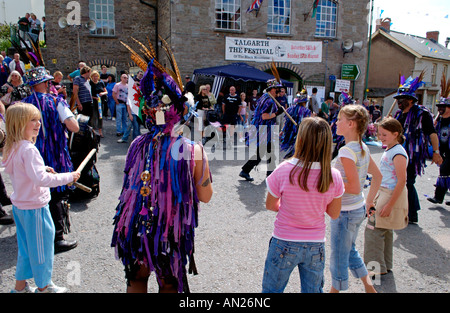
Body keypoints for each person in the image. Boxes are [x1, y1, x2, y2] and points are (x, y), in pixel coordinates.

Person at [111, 42, 213, 293]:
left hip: (136, 228)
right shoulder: (193, 150)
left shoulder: (136, 144)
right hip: (170, 234)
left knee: (136, 279)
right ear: (179, 112)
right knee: (169, 283)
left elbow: (128, 189)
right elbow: (206, 196)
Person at [2, 102, 80, 293]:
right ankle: (44, 287)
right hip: (35, 208)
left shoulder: (13, 146)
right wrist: (68, 177)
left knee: (27, 250)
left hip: (21, 207)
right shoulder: (29, 149)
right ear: (19, 123)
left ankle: (19, 287)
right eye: (32, 120)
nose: (38, 124)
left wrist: (42, 168)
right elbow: (41, 179)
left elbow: (23, 171)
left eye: (38, 119)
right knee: (42, 249)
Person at [262, 117, 344, 293]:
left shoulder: (284, 169)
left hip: (284, 240)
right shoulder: (333, 175)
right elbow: (334, 213)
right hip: (315, 243)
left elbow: (270, 204)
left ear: (300, 139)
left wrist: (287, 208)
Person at [22, 66, 80, 253]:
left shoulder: (22, 105)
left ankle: (36, 234)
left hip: (30, 155)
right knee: (56, 193)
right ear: (46, 83)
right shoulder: (56, 101)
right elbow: (74, 127)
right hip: (54, 157)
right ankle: (57, 237)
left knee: (34, 193)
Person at [330, 104, 382, 293]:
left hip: (345, 212)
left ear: (351, 124)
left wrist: (328, 191)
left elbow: (354, 186)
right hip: (357, 208)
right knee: (350, 251)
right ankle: (370, 288)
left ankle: (336, 291)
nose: (336, 122)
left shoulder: (346, 151)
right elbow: (378, 177)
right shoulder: (363, 147)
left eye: (340, 119)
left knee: (338, 258)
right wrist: (368, 202)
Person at [393, 73, 442, 224]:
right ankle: (403, 211)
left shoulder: (422, 114)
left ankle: (412, 214)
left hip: (413, 155)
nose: (398, 102)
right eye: (398, 100)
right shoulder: (398, 115)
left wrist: (436, 152)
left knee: (407, 183)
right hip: (398, 154)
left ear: (410, 100)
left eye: (401, 100)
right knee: (399, 182)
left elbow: (432, 134)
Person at [364, 117, 408, 276]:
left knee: (373, 230)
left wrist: (390, 204)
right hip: (385, 192)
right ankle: (385, 266)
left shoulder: (398, 152)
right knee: (385, 230)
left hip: (388, 194)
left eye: (384, 135)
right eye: (379, 134)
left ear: (396, 134)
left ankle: (375, 269)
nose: (380, 138)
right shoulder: (392, 149)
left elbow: (402, 180)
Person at [240, 77, 282, 181]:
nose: (279, 91)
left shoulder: (265, 97)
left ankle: (267, 174)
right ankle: (247, 171)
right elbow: (264, 116)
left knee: (269, 152)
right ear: (272, 89)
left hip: (264, 130)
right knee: (264, 153)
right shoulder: (269, 101)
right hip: (265, 131)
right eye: (277, 89)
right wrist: (276, 113)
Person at [427, 77, 450, 205]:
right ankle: (439, 197)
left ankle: (438, 197)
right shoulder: (440, 120)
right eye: (439, 106)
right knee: (445, 172)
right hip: (444, 151)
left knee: (444, 171)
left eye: (443, 107)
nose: (440, 109)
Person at [280, 90, 311, 159]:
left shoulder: (290, 109)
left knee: (291, 149)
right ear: (304, 102)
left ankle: (289, 160)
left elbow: (286, 121)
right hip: (300, 133)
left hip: (289, 133)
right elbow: (307, 124)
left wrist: (282, 130)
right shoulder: (306, 111)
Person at [90, 70, 107, 138]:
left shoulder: (101, 83)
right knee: (94, 116)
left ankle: (100, 131)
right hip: (93, 102)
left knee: (100, 117)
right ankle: (93, 131)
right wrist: (94, 97)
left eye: (96, 76)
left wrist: (102, 93)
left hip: (100, 102)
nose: (95, 77)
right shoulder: (90, 83)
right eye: (94, 76)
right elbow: (89, 94)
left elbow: (106, 92)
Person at [113, 73, 129, 137]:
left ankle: (124, 130)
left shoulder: (128, 86)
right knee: (119, 118)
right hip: (119, 103)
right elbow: (113, 93)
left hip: (125, 103)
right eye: (124, 78)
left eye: (126, 78)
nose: (126, 79)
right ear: (121, 78)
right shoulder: (117, 85)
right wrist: (117, 102)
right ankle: (118, 130)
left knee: (125, 118)